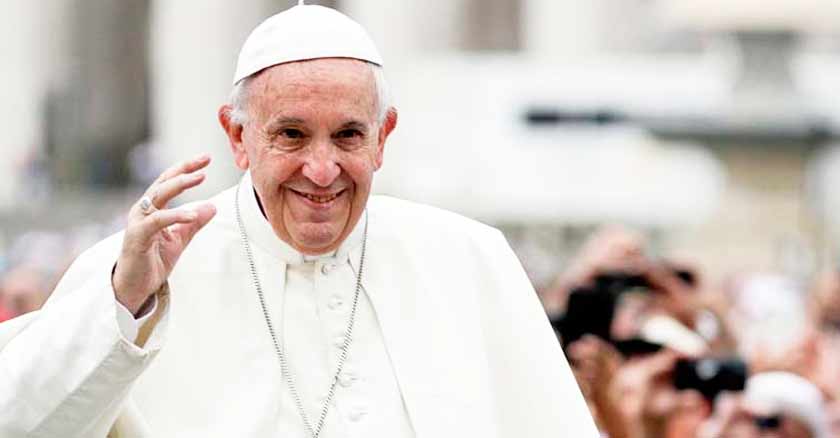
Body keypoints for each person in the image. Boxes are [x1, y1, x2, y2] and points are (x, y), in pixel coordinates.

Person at [0, 3, 597, 437]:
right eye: (291, 135)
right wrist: (123, 308)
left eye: (347, 136)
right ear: (238, 136)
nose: (321, 169)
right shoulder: (136, 270)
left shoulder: (471, 257)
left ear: (383, 137)